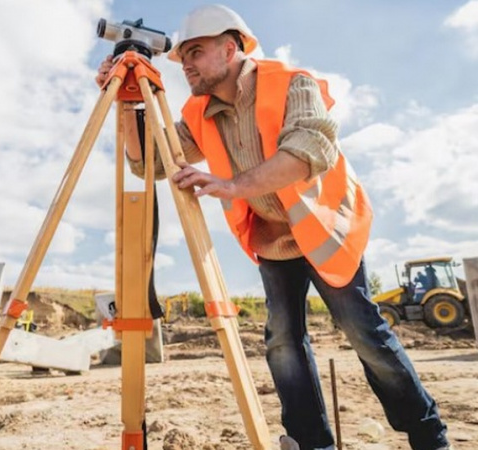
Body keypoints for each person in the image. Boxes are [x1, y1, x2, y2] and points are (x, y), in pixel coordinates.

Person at [95, 5, 450, 450]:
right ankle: (309, 442)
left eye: (196, 52)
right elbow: (148, 161)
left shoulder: (292, 84)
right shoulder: (199, 111)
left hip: (324, 230)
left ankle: (429, 436)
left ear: (230, 49)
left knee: (364, 333)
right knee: (282, 341)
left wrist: (233, 185)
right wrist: (128, 102)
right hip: (273, 241)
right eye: (183, 57)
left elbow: (307, 152)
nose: (186, 65)